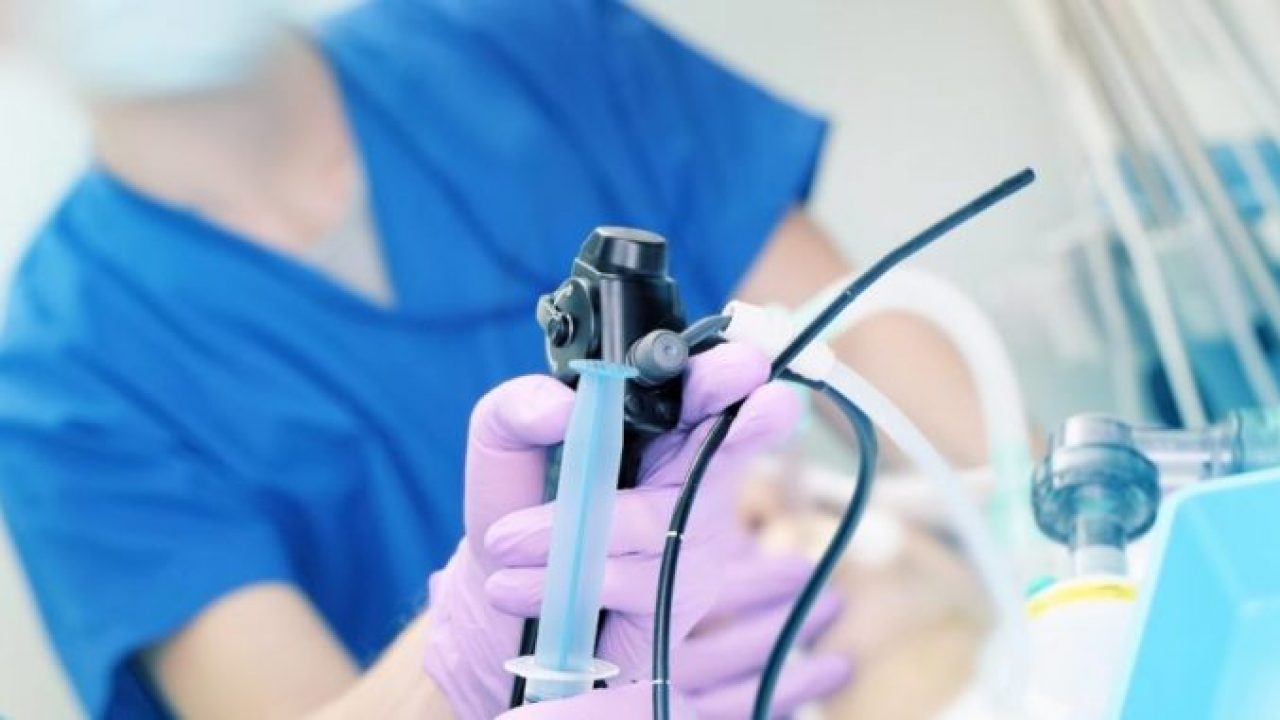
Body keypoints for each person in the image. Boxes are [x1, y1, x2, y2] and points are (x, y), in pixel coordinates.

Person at [0, 0, 985, 717]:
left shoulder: (536, 45)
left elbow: (951, 424)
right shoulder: (63, 379)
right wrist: (464, 663)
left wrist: (1023, 532)